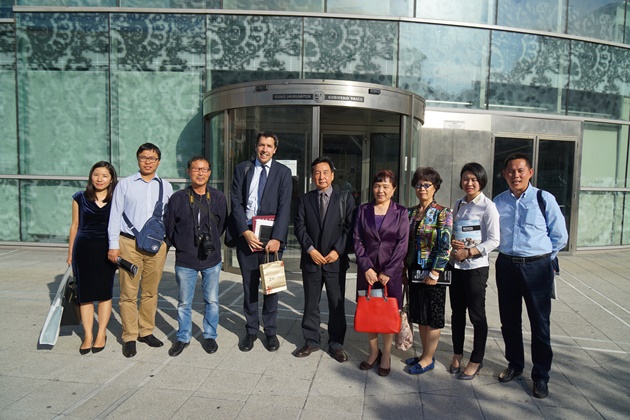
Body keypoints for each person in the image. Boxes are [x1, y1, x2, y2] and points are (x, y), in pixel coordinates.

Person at [494, 153, 568, 399]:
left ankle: (541, 376)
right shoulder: (498, 201)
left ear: (530, 172)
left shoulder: (544, 198)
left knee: (539, 323)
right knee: (509, 320)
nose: (515, 175)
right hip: (506, 265)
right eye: (511, 171)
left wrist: (543, 257)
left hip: (537, 267)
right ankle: (515, 364)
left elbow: (560, 236)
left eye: (520, 170)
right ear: (504, 174)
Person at [226, 131, 292, 352]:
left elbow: (285, 206)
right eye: (261, 145)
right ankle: (251, 330)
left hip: (271, 240)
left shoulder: (283, 172)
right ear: (256, 147)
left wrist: (277, 238)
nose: (265, 149)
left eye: (269, 146)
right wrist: (244, 232)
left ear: (275, 149)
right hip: (247, 236)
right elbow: (235, 202)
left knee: (271, 286)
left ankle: (270, 331)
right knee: (249, 286)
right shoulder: (242, 169)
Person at [107, 143, 173, 358]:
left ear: (158, 161)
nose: (148, 161)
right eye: (144, 157)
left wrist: (167, 243)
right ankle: (129, 336)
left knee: (150, 291)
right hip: (129, 244)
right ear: (138, 159)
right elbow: (115, 215)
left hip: (156, 246)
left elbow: (169, 218)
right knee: (128, 293)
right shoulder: (125, 184)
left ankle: (146, 331)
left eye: (152, 158)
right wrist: (113, 245)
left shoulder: (166, 186)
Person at [294, 156, 355, 362]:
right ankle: (311, 340)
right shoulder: (305, 199)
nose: (321, 176)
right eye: (317, 173)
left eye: (325, 172)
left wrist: (338, 250)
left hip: (335, 261)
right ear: (312, 176)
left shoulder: (344, 198)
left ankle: (336, 343)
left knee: (336, 303)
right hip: (312, 260)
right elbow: (299, 226)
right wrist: (310, 249)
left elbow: (350, 228)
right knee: (311, 302)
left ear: (333, 175)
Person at [165, 156, 227, 357]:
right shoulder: (177, 198)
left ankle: (210, 335)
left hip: (211, 258)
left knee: (212, 301)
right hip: (186, 259)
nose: (200, 173)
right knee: (184, 302)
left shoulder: (218, 197)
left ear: (209, 172)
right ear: (188, 172)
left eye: (204, 169)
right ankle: (183, 337)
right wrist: (184, 244)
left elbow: (222, 225)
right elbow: (170, 227)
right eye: (196, 169)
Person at [354, 170, 409, 377]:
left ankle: (386, 354)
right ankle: (373, 351)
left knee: (387, 312)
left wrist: (389, 271)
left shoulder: (401, 212)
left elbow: (402, 244)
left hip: (390, 273)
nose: (381, 190)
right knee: (369, 311)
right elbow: (357, 239)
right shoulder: (363, 210)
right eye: (377, 186)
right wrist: (366, 267)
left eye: (386, 186)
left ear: (393, 189)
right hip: (367, 271)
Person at [448, 163, 500, 380]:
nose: (469, 183)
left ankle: (476, 359)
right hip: (456, 266)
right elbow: (454, 231)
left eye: (473, 179)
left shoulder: (488, 207)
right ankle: (457, 354)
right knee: (457, 313)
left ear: (481, 181)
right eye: (465, 179)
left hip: (476, 268)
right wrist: (453, 242)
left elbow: (494, 240)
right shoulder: (458, 204)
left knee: (477, 315)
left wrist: (469, 252)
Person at [405, 167, 453, 375]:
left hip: (433, 272)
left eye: (426, 185)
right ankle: (424, 353)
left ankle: (428, 358)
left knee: (433, 315)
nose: (422, 188)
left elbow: (445, 245)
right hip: (415, 269)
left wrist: (435, 272)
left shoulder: (443, 212)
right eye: (418, 185)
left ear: (435, 187)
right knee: (420, 313)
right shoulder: (410, 212)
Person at [67, 161, 118, 355]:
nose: (99, 179)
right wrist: (70, 253)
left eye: (104, 175)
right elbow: (75, 225)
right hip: (83, 249)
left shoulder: (116, 198)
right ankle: (88, 335)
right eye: (96, 174)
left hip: (106, 250)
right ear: (91, 176)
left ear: (111, 179)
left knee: (104, 293)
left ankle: (101, 333)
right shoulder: (80, 197)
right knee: (85, 295)